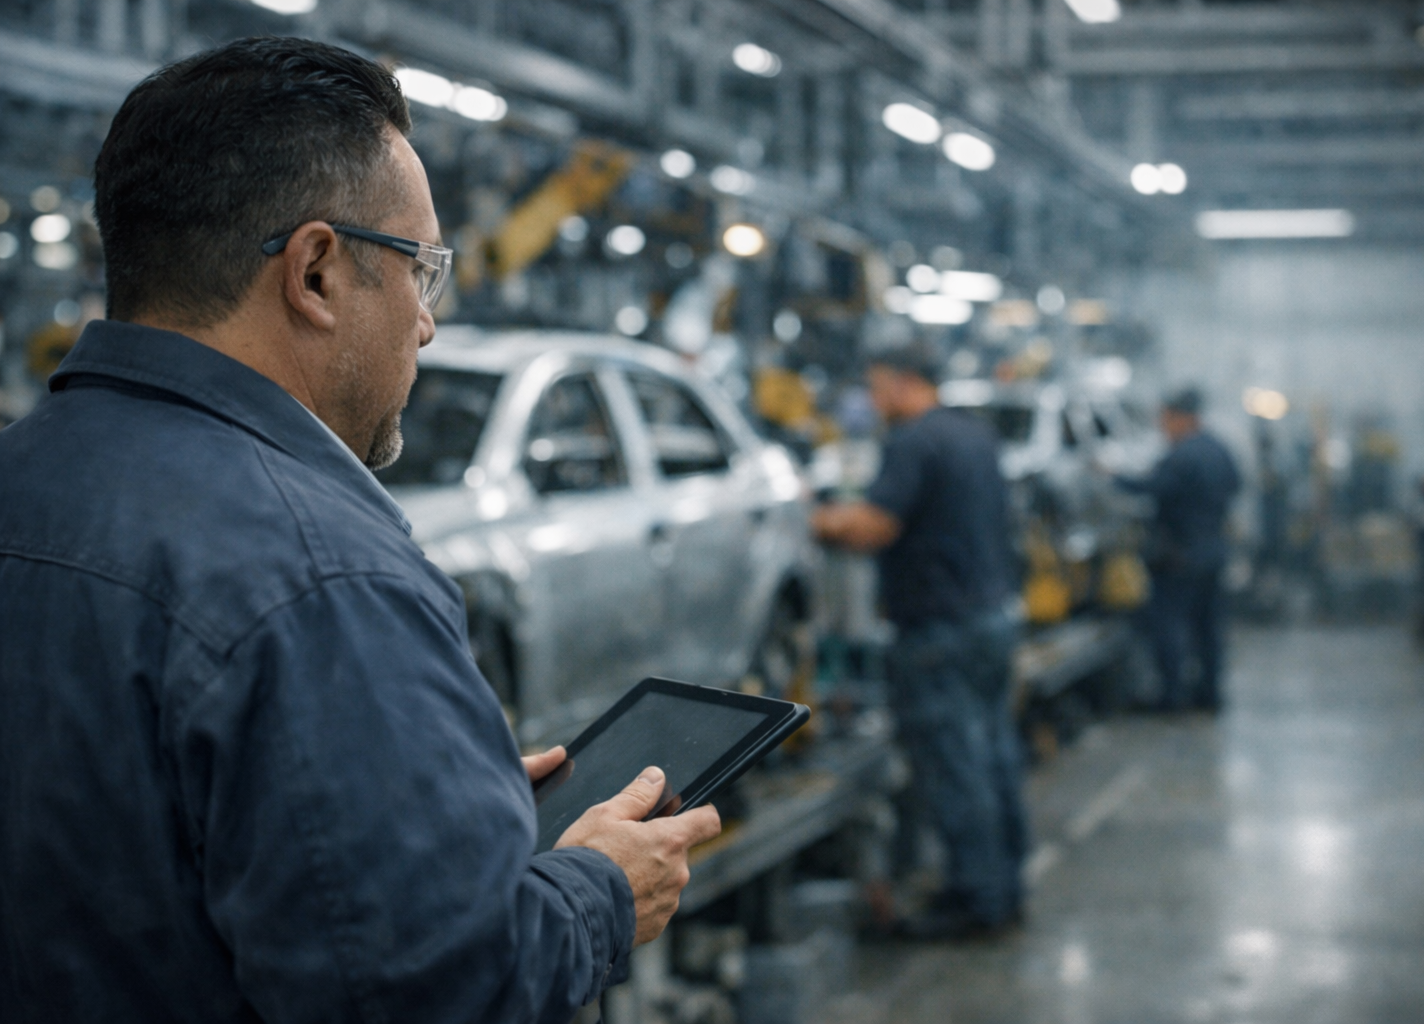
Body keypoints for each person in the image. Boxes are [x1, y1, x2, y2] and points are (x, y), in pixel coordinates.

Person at [0, 38, 718, 1022]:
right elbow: (431, 990)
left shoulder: (24, 479)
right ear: (319, 271)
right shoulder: (323, 575)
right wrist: (598, 892)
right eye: (423, 269)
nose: (427, 324)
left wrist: (395, 792)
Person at [812, 346, 1027, 938]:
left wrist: (815, 517)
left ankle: (977, 902)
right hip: (989, 619)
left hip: (939, 632)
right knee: (995, 758)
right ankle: (1005, 889)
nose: (873, 402)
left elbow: (876, 525)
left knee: (957, 768)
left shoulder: (912, 441)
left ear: (906, 384)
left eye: (878, 387)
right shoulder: (973, 435)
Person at [1115, 387, 1241, 711]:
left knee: (1169, 625)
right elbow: (1236, 485)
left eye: (1165, 419)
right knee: (1209, 628)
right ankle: (1209, 695)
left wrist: (1113, 478)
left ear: (1182, 418)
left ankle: (1172, 697)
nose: (1162, 427)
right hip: (1213, 551)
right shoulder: (1219, 449)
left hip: (1180, 557)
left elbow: (1153, 487)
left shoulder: (1182, 455)